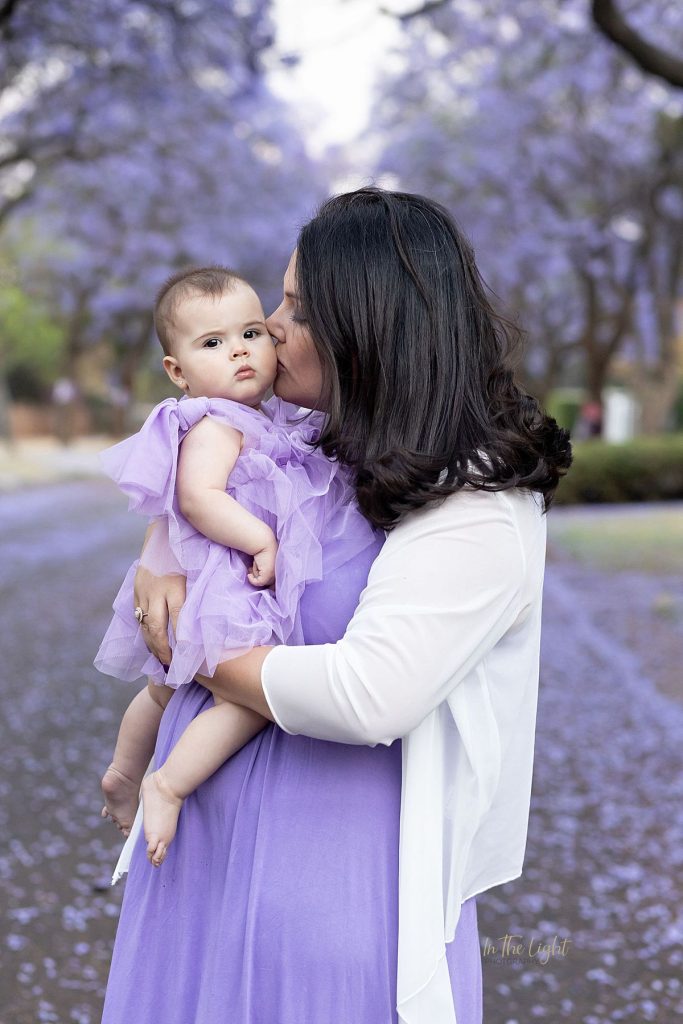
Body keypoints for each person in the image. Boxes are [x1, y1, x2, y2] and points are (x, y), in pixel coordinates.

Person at [101, 187, 571, 1024]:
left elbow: (366, 695)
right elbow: (198, 481)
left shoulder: (474, 502)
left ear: (367, 328)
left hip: (326, 885)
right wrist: (159, 557)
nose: (270, 327)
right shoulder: (318, 442)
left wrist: (196, 647)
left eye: (296, 308)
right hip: (202, 861)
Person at [96, 266, 378, 867]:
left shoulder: (272, 422)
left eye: (251, 333)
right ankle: (164, 783)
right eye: (213, 344)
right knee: (248, 702)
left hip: (217, 581)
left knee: (162, 689)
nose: (241, 352)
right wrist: (262, 543)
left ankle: (122, 771)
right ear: (177, 371)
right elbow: (197, 498)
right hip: (225, 580)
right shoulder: (213, 423)